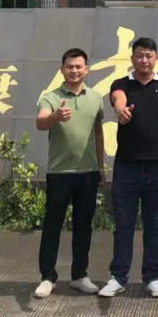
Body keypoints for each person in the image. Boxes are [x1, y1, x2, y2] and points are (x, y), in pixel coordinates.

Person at [98, 37, 158, 298]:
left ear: (156, 58)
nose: (144, 60)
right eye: (139, 55)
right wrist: (121, 110)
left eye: (149, 55)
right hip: (127, 165)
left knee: (155, 223)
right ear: (132, 58)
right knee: (124, 222)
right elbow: (118, 98)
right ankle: (118, 277)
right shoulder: (122, 83)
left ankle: (152, 277)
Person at [34, 48, 106, 299]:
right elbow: (40, 122)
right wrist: (56, 116)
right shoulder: (50, 97)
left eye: (78, 66)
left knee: (83, 226)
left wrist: (101, 166)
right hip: (60, 172)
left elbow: (98, 132)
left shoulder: (96, 97)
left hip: (88, 172)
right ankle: (47, 277)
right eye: (69, 66)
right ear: (62, 69)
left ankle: (79, 276)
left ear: (86, 69)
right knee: (52, 226)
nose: (74, 71)